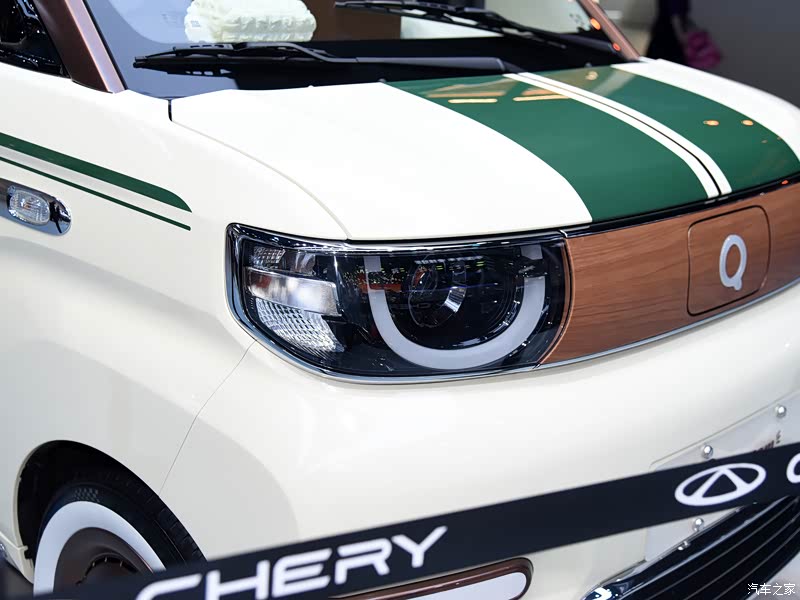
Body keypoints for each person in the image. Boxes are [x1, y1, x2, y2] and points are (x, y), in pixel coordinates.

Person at [647, 0, 691, 64]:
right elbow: (674, 15)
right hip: (668, 33)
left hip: (663, 30)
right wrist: (681, 35)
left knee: (656, 60)